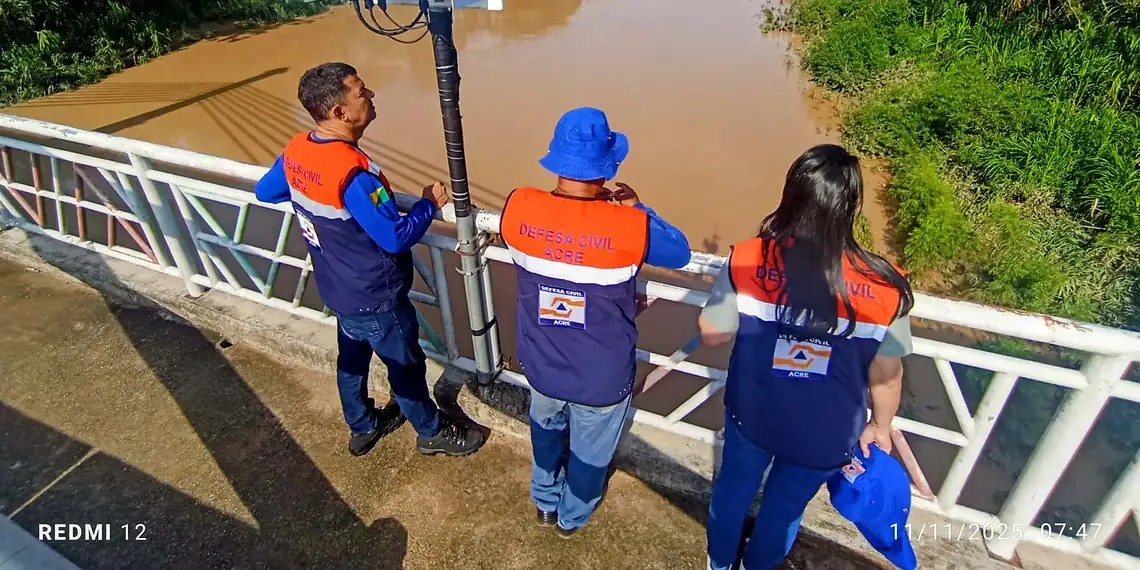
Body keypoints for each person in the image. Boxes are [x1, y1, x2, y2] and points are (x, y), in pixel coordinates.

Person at [699, 144, 915, 570]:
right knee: (784, 511)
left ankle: (720, 563)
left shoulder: (748, 258)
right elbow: (887, 374)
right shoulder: (886, 285)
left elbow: (712, 333)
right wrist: (881, 426)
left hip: (754, 414)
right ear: (851, 205)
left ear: (791, 196)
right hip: (828, 433)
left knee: (733, 492)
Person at [254, 62, 486, 459]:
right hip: (374, 294)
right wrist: (428, 205)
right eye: (362, 92)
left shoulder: (297, 149)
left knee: (352, 360)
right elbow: (394, 236)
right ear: (340, 113)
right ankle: (431, 432)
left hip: (335, 286)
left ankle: (362, 426)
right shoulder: (352, 174)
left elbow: (266, 191)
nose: (372, 95)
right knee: (405, 367)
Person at [498, 107, 692, 537]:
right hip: (601, 376)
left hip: (541, 363)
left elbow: (517, 232)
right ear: (607, 167)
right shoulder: (630, 224)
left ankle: (544, 501)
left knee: (545, 433)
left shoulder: (519, 206)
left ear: (556, 159)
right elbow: (680, 252)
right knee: (590, 455)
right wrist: (637, 205)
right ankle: (572, 517)